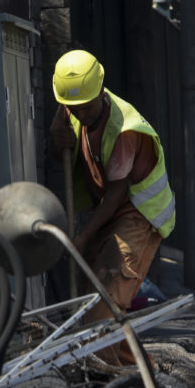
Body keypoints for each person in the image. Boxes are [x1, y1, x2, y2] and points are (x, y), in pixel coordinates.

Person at [49, 49, 176, 365]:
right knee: (92, 296)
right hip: (106, 209)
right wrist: (56, 133)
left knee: (106, 289)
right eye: (72, 108)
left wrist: (83, 237)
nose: (80, 114)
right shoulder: (74, 104)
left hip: (137, 212)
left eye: (85, 107)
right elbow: (64, 114)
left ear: (100, 91)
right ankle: (139, 374)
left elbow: (118, 193)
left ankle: (104, 375)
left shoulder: (124, 130)